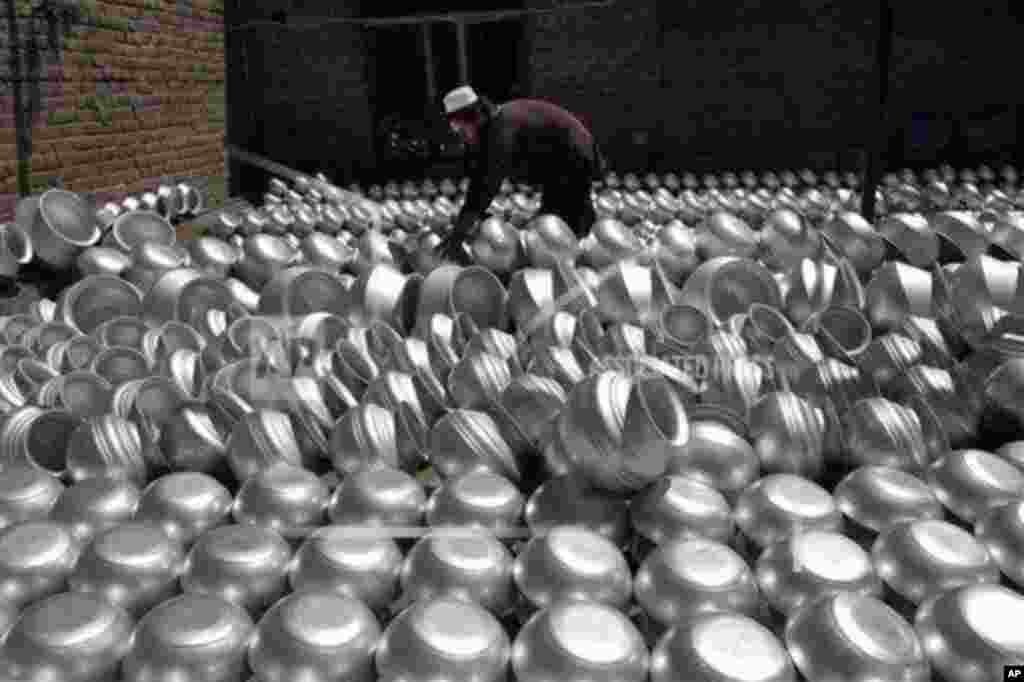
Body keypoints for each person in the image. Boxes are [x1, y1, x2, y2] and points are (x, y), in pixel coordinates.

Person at [435, 85, 604, 263]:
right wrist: (463, 226)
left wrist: (459, 232)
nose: (462, 137)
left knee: (560, 226)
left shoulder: (500, 130)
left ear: (474, 117)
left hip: (573, 158)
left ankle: (587, 264)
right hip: (560, 165)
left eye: (461, 129)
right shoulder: (494, 125)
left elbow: (483, 186)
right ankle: (587, 251)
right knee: (560, 220)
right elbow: (480, 177)